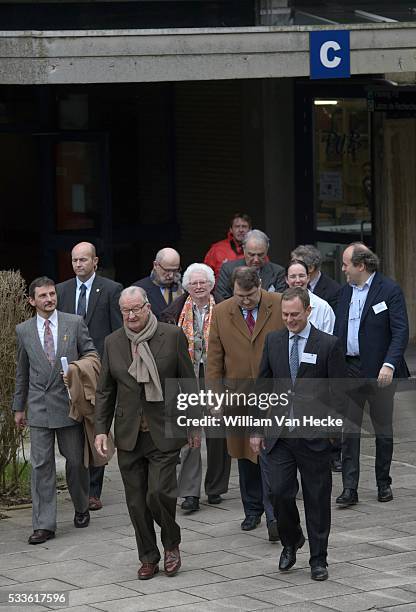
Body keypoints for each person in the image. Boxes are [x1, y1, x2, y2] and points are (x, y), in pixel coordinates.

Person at [94, 286, 200, 580]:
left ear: (147, 308)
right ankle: (149, 557)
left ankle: (171, 543)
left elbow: (188, 382)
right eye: (125, 311)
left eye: (135, 309)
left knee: (158, 494)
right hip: (129, 434)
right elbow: (105, 390)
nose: (130, 316)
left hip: (164, 429)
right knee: (136, 502)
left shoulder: (172, 335)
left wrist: (194, 422)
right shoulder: (113, 342)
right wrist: (101, 429)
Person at [250, 287, 347, 581]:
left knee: (317, 499)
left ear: (308, 311)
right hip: (279, 435)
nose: (290, 320)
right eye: (285, 315)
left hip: (314, 436)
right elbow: (262, 386)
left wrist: (332, 434)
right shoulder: (274, 340)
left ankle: (319, 558)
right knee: (278, 492)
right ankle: (291, 541)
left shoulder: (328, 344)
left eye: (295, 314)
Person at [12, 276, 97, 544]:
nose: (49, 299)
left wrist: (75, 370)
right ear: (31, 301)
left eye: (52, 294)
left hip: (68, 403)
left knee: (75, 461)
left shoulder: (74, 322)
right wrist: (18, 407)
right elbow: (21, 372)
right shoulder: (23, 330)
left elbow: (92, 355)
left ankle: (82, 505)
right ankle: (44, 525)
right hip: (38, 406)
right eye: (43, 296)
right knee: (41, 466)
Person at [207, 266, 284, 541]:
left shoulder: (278, 304)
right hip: (237, 394)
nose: (246, 301)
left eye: (250, 295)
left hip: (273, 393)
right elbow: (214, 358)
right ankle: (252, 510)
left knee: (273, 453)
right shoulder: (221, 311)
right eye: (240, 295)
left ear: (260, 286)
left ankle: (276, 511)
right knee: (244, 456)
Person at [334, 243, 409, 507]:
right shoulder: (344, 293)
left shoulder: (389, 290)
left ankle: (383, 483)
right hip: (350, 369)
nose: (342, 269)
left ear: (360, 266)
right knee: (349, 431)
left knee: (383, 430)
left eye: (346, 264)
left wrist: (389, 364)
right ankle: (349, 489)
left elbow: (400, 332)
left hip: (380, 371)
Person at [56, 241, 123, 511]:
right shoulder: (61, 290)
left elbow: (117, 332)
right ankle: (81, 484)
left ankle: (94, 490)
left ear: (95, 262)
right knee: (76, 426)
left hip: (98, 369)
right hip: (70, 369)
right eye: (74, 260)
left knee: (97, 425)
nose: (78, 264)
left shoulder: (110, 289)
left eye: (84, 260)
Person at [160, 263, 231, 513]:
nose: (199, 287)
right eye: (194, 283)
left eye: (203, 282)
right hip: (187, 375)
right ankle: (189, 492)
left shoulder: (225, 308)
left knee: (217, 432)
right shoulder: (175, 310)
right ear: (187, 286)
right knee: (190, 431)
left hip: (216, 375)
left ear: (211, 285)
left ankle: (215, 487)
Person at [215, 230, 286, 302]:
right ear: (244, 249)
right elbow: (222, 298)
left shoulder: (278, 272)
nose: (256, 260)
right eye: (251, 255)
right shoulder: (228, 269)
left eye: (260, 255)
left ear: (267, 250)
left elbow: (279, 301)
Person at [285, 260, 335, 334]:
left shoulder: (323, 307)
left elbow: (329, 341)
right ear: (286, 279)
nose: (298, 280)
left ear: (308, 278)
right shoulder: (278, 305)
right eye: (293, 276)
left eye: (301, 276)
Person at [133, 247, 183, 318]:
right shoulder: (138, 289)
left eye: (175, 270)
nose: (171, 275)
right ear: (155, 265)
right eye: (167, 270)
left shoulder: (184, 287)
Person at [291, 244, 341, 311]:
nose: (293, 268)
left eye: (298, 265)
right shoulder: (290, 283)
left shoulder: (334, 291)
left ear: (311, 268)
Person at [204, 212, 252, 280]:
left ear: (250, 229)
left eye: (244, 226)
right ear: (231, 229)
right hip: (221, 290)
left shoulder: (257, 249)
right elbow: (205, 276)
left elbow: (266, 273)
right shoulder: (217, 249)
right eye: (237, 226)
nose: (241, 230)